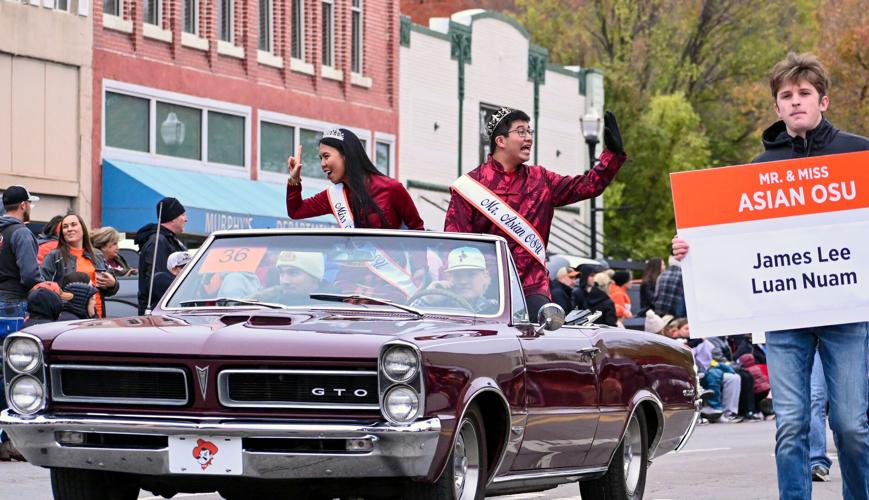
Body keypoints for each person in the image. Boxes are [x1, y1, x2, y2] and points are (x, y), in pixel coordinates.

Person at [672, 53, 869, 500]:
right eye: (786, 95)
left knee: (852, 426)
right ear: (777, 106)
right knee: (793, 424)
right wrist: (690, 249)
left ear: (824, 101)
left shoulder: (859, 154)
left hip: (847, 314)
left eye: (804, 93)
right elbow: (730, 242)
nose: (796, 102)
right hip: (784, 316)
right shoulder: (759, 170)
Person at [444, 108, 626, 319]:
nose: (528, 137)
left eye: (530, 131)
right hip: (483, 291)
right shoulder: (471, 187)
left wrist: (612, 155)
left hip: (532, 288)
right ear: (500, 141)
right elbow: (456, 244)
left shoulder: (541, 179)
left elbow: (587, 186)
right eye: (521, 131)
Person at [286, 128, 424, 229]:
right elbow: (296, 211)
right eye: (320, 158)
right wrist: (294, 180)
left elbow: (417, 228)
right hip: (350, 268)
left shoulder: (391, 188)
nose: (322, 164)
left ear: (346, 155)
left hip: (388, 267)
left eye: (326, 156)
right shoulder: (334, 195)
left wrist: (419, 269)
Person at [41, 213, 119, 318]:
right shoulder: (54, 256)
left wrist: (112, 284)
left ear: (83, 228)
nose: (69, 229)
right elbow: (42, 287)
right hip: (70, 319)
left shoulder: (97, 255)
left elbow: (110, 290)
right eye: (65, 226)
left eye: (73, 225)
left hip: (98, 317)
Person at [135, 197, 187, 314]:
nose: (186, 219)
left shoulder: (170, 240)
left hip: (169, 308)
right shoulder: (157, 242)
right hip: (158, 312)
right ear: (173, 218)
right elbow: (156, 281)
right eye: (183, 215)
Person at [0, 185, 43, 322]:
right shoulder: (21, 233)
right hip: (13, 304)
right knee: (15, 343)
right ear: (23, 205)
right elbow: (30, 276)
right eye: (29, 203)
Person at [421, 247, 498, 314]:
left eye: (471, 274)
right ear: (449, 278)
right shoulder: (437, 307)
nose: (463, 281)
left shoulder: (495, 309)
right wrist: (427, 299)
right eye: (457, 275)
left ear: (485, 276)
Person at [253, 251, 325, 305]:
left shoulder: (333, 307)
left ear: (314, 277)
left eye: (293, 273)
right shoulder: (265, 304)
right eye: (281, 273)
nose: (285, 281)